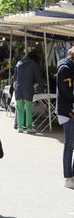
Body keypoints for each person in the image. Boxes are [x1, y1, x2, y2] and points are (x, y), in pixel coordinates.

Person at [13, 50, 44, 133]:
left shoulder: (18, 64)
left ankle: (20, 127)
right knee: (28, 108)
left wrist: (15, 86)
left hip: (18, 88)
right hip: (28, 89)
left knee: (19, 108)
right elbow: (38, 77)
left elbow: (14, 77)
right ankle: (29, 127)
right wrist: (42, 86)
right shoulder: (33, 65)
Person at [56, 46, 74, 189]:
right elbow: (68, 92)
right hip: (68, 111)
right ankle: (68, 177)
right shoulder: (65, 69)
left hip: (69, 109)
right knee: (69, 145)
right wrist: (70, 109)